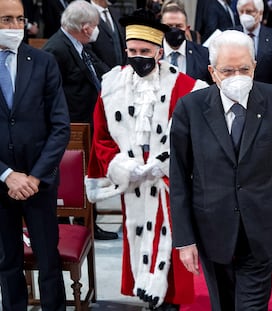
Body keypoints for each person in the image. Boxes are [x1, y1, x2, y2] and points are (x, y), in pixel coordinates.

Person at [84, 8, 208, 310]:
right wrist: (124, 167)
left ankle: (171, 301)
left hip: (169, 185)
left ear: (159, 50)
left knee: (172, 248)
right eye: (132, 50)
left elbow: (197, 140)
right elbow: (101, 138)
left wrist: (164, 164)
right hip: (134, 184)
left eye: (145, 50)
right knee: (139, 240)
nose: (138, 56)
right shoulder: (111, 86)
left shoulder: (186, 87)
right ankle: (148, 294)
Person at [169, 30, 272, 311]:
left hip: (261, 227)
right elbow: (179, 177)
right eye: (227, 70)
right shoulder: (190, 107)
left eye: (244, 69)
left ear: (254, 66)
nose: (237, 76)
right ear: (212, 72)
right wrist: (184, 239)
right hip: (212, 229)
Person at [0, 0, 70, 309]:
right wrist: (6, 174)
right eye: (6, 19)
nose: (14, 26)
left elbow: (60, 126)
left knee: (49, 262)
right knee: (7, 262)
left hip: (39, 182)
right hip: (1, 182)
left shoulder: (42, 62)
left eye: (19, 19)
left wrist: (34, 176)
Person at [43, 0, 118, 240]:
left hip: (88, 123)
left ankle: (88, 224)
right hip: (71, 127)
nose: (96, 31)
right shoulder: (56, 49)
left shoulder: (79, 44)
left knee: (89, 175)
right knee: (69, 179)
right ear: (86, 27)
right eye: (95, 26)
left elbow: (98, 69)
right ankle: (68, 226)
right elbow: (49, 94)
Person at [235, 0, 272, 90]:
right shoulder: (231, 35)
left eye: (249, 12)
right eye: (241, 12)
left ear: (260, 13)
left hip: (266, 94)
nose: (244, 16)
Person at [160, 0, 212, 83]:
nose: (174, 29)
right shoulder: (152, 53)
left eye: (179, 26)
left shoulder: (204, 55)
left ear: (187, 29)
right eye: (169, 26)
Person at [90, 0, 127, 69]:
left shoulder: (116, 12)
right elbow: (89, 51)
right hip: (103, 75)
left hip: (123, 73)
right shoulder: (86, 14)